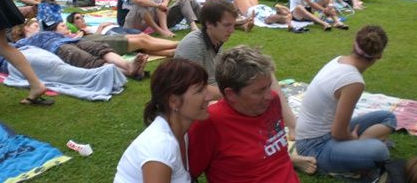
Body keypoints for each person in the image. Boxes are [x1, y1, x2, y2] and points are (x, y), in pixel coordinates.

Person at [188, 45, 310, 182]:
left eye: (269, 86)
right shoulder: (209, 123)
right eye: (259, 91)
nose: (269, 95)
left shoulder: (273, 102)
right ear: (231, 94)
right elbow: (188, 173)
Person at [295, 25, 396, 177]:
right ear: (380, 55)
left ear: (354, 44)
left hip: (316, 134)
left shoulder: (339, 60)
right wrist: (351, 138)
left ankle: (357, 148)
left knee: (388, 117)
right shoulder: (354, 82)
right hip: (314, 146)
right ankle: (356, 149)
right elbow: (338, 132)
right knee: (380, 152)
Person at [114, 58, 211, 183]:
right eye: (199, 91)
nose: (208, 96)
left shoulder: (180, 132)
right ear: (173, 101)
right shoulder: (161, 147)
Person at [14, 20, 148, 80]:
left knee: (101, 49)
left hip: (71, 41)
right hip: (57, 48)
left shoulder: (45, 33)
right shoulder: (22, 43)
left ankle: (128, 65)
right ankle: (129, 72)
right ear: (25, 28)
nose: (38, 28)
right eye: (35, 26)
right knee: (89, 60)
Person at [67, 12, 178, 57]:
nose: (81, 18)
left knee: (143, 40)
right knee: (142, 43)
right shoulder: (80, 34)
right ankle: (178, 45)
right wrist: (101, 27)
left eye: (82, 16)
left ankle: (173, 51)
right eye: (77, 18)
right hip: (108, 36)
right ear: (72, 23)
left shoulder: (89, 27)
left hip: (112, 33)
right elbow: (94, 38)